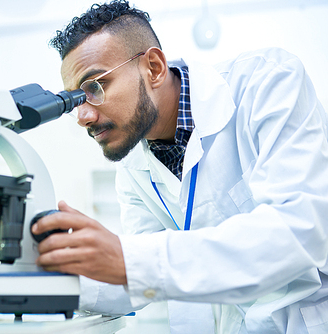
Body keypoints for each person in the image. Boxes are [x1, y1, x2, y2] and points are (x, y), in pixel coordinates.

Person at [30, 1, 328, 333]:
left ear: (154, 67)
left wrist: (127, 257)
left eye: (94, 88)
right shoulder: (133, 166)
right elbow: (134, 280)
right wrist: (51, 279)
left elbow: (300, 229)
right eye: (75, 100)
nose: (83, 116)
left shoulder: (268, 82)